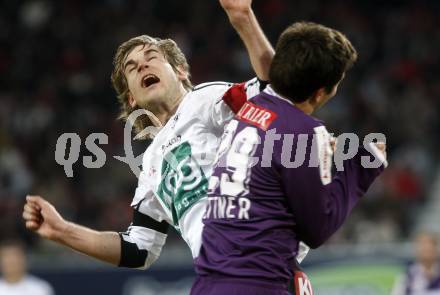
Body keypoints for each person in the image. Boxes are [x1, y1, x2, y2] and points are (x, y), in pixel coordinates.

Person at [23, 0, 311, 273]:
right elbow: (138, 249)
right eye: (132, 68)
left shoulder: (206, 99)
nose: (143, 66)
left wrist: (243, 19)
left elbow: (275, 91)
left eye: (151, 58)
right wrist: (63, 231)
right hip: (225, 276)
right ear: (131, 98)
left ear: (181, 71)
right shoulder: (150, 165)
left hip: (262, 258)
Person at [191, 22, 388, 295]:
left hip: (208, 284)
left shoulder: (250, 109)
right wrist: (362, 166)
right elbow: (318, 228)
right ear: (320, 92)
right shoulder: (305, 131)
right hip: (258, 283)